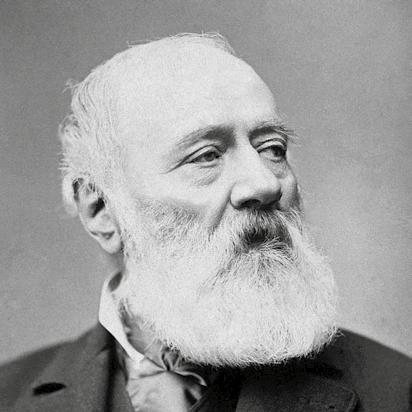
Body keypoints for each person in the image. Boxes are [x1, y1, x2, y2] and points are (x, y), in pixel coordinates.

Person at [0, 33, 410, 412]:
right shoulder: (8, 395)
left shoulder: (398, 391)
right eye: (206, 156)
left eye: (273, 148)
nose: (265, 184)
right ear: (101, 211)